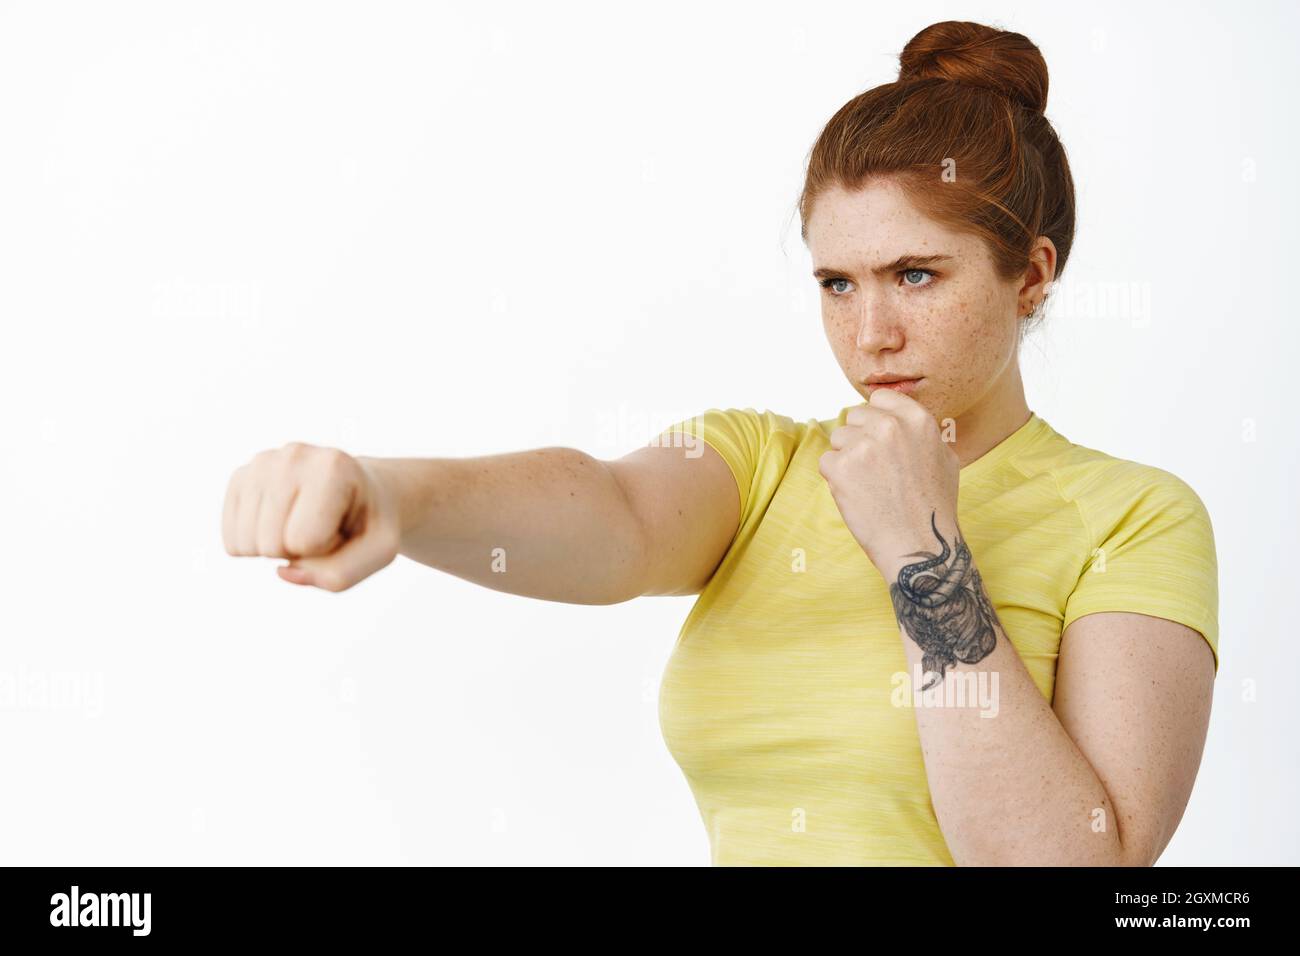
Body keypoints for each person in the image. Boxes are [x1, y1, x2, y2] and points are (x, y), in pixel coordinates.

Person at [222, 20, 1218, 866]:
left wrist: (922, 549)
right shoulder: (762, 461)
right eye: (837, 282)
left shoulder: (1133, 515)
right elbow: (608, 506)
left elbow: (1073, 857)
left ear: (1032, 274)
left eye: (915, 274)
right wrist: (392, 496)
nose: (869, 332)